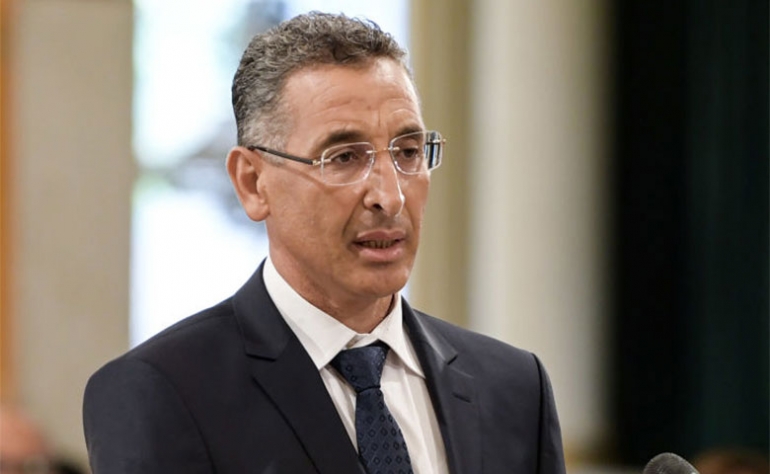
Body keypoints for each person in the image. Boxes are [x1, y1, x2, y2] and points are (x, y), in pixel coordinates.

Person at [83, 12, 566, 474]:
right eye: (344, 157)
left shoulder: (515, 387)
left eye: (408, 152)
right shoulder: (163, 392)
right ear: (252, 182)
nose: (390, 197)